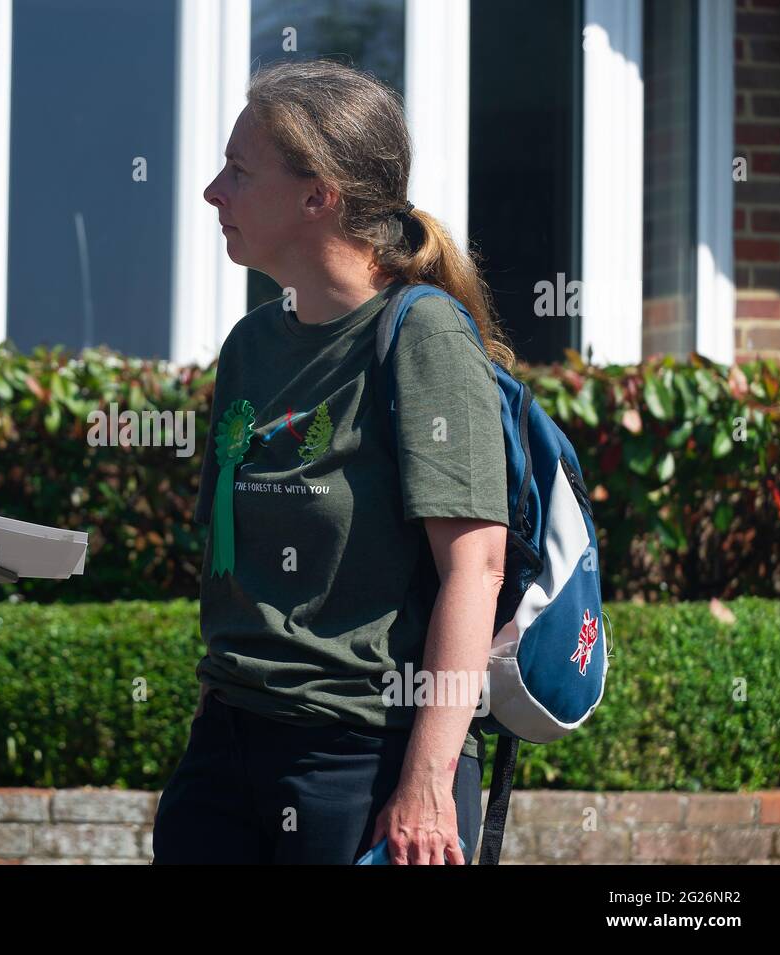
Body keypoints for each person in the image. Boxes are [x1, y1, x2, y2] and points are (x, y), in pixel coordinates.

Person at [151, 58, 513, 865]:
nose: (213, 192)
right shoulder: (250, 346)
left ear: (319, 196)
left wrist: (426, 780)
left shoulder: (424, 337)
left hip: (359, 761)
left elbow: (476, 569)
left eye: (238, 172)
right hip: (227, 751)